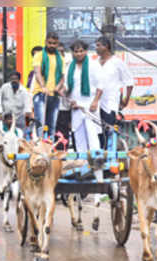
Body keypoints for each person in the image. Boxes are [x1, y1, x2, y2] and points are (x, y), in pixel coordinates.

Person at [64, 39, 105, 220]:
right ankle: (82, 177)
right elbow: (67, 88)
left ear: (86, 51)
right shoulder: (70, 68)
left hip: (90, 107)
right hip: (76, 109)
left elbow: (100, 86)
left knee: (94, 144)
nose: (79, 54)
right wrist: (64, 94)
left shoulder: (94, 66)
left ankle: (100, 182)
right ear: (72, 52)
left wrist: (95, 102)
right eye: (76, 51)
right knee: (80, 146)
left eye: (81, 51)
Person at [95, 36, 134, 148]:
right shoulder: (95, 63)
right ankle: (99, 158)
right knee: (98, 133)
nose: (96, 48)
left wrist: (126, 100)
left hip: (110, 104)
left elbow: (129, 82)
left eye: (98, 46)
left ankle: (109, 159)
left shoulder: (117, 62)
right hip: (96, 104)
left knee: (109, 132)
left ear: (106, 46)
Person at [32, 32, 64, 137]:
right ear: (45, 42)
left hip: (54, 96)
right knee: (40, 124)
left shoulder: (61, 58)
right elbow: (37, 72)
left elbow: (63, 77)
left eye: (54, 43)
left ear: (57, 44)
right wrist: (43, 87)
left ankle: (50, 149)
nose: (52, 45)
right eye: (50, 43)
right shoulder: (39, 55)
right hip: (41, 94)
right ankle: (40, 147)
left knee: (52, 127)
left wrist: (58, 87)